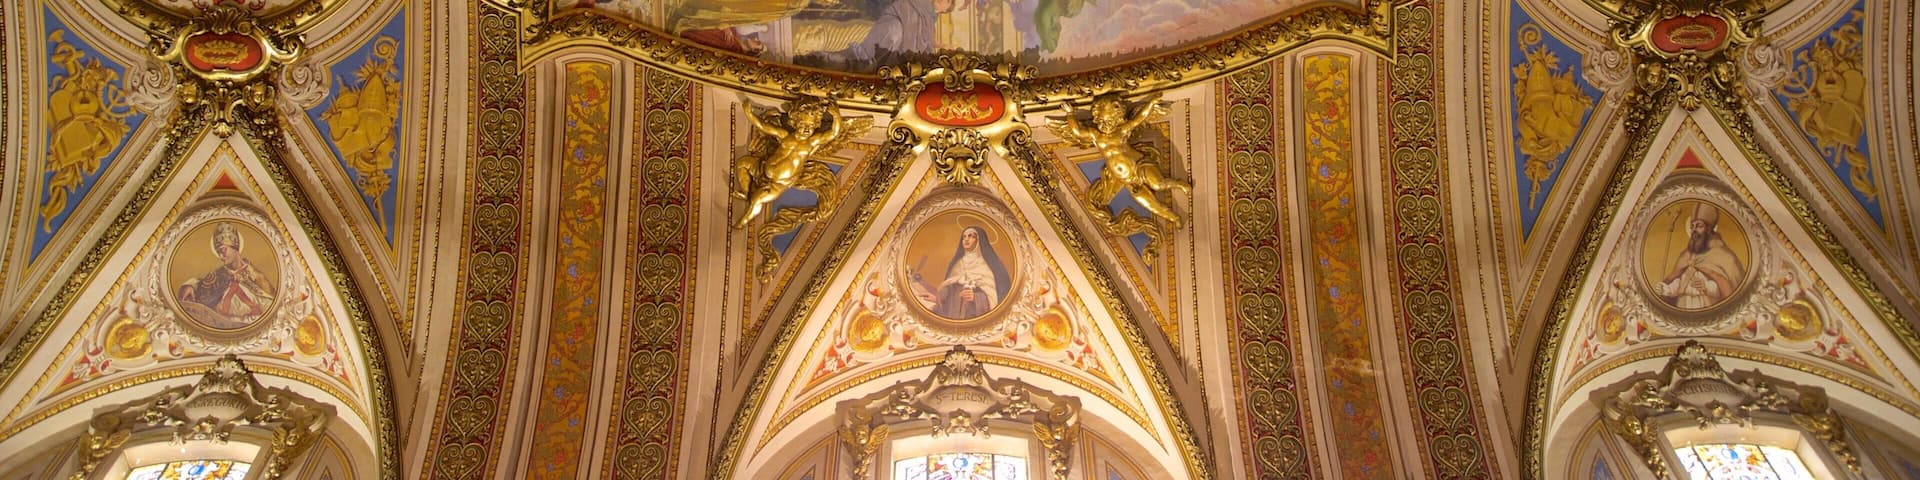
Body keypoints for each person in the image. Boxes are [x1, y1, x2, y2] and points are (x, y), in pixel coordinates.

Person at [177, 223, 275, 329]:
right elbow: (201, 286)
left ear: (235, 247)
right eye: (218, 252)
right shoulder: (219, 275)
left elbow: (271, 306)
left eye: (223, 250)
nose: (220, 256)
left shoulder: (256, 276)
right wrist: (190, 286)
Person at [1654, 204, 1745, 310]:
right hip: (1684, 306)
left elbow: (1728, 288)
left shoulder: (1723, 255)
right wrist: (1666, 289)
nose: (1694, 230)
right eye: (1692, 226)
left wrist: (1707, 287)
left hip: (1708, 308)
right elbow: (1677, 281)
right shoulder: (1686, 256)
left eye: (1699, 226)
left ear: (1708, 229)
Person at [913, 226, 1011, 318]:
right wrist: (937, 299)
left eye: (971, 236)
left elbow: (994, 298)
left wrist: (976, 298)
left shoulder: (986, 265)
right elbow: (951, 297)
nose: (966, 239)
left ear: (979, 240)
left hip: (974, 318)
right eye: (964, 237)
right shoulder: (957, 264)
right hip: (954, 317)